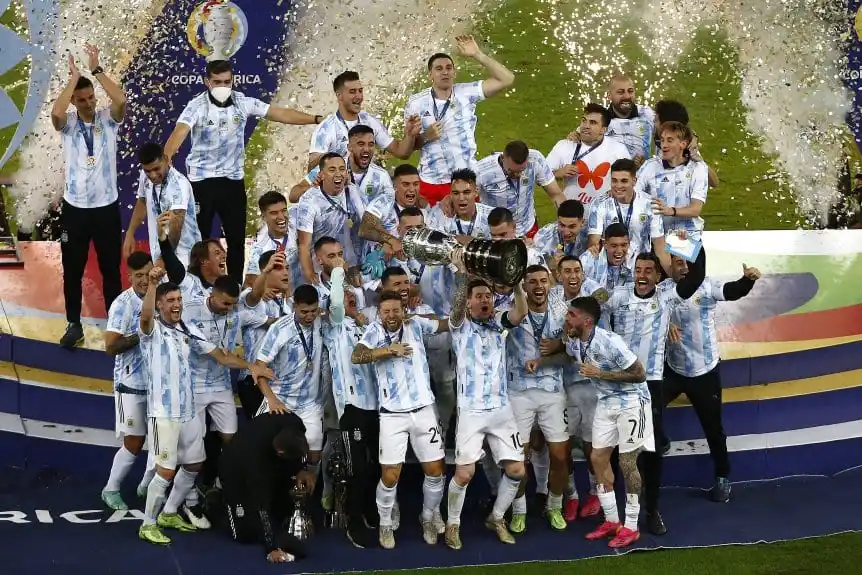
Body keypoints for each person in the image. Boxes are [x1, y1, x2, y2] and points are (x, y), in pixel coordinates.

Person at [137, 267, 273, 545]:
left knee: (195, 463)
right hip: (164, 411)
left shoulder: (188, 329)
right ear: (161, 304)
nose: (176, 305)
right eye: (170, 301)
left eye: (178, 300)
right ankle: (147, 524)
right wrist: (152, 284)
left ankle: (170, 511)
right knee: (166, 469)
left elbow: (221, 356)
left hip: (187, 409)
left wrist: (252, 366)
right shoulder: (151, 332)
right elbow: (146, 316)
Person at [163, 59, 321, 283]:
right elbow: (180, 132)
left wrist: (314, 119)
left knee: (236, 241)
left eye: (227, 81)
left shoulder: (242, 102)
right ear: (207, 82)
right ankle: (198, 288)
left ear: (233, 80)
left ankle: (234, 288)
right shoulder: (196, 106)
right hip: (202, 183)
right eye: (217, 82)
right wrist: (166, 158)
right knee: (201, 242)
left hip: (233, 183)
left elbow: (279, 114)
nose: (222, 87)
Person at [601, 248, 706, 537]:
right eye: (638, 270)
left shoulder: (667, 296)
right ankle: (611, 510)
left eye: (648, 271)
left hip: (651, 384)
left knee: (652, 450)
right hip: (618, 383)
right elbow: (591, 308)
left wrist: (695, 242)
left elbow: (696, 277)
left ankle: (651, 509)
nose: (642, 275)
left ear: (658, 276)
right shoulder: (618, 295)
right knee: (612, 449)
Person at [351, 291, 450, 549]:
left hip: (424, 409)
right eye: (386, 312)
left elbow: (445, 324)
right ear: (380, 313)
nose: (391, 316)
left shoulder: (415, 324)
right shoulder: (373, 332)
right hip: (392, 414)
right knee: (391, 474)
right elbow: (357, 355)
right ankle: (385, 523)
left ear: (402, 309)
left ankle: (428, 516)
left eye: (396, 310)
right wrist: (387, 351)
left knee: (435, 470)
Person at [663, 259, 762, 508]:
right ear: (670, 266)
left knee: (714, 430)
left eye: (688, 263)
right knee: (647, 409)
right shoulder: (662, 290)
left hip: (704, 372)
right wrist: (664, 325)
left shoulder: (707, 286)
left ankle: (722, 476)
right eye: (677, 263)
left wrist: (747, 280)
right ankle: (661, 440)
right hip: (672, 369)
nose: (684, 267)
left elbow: (732, 291)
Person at [444, 258, 526, 550]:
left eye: (488, 296)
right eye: (478, 297)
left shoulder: (499, 323)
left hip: (501, 409)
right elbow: (454, 310)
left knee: (517, 470)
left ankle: (497, 517)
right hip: (471, 411)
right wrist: (464, 278)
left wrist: (516, 285)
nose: (485, 301)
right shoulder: (460, 326)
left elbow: (520, 311)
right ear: (468, 303)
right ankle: (453, 524)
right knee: (464, 473)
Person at [49, 44, 126, 349]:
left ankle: (115, 325)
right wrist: (73, 79)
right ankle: (73, 324)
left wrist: (96, 71)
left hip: (106, 208)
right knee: (73, 269)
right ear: (74, 101)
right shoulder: (68, 125)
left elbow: (120, 98)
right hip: (76, 210)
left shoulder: (109, 119)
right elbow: (56, 112)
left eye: (91, 97)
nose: (88, 103)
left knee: (111, 269)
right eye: (81, 100)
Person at [563, 296, 648, 549]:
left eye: (571, 315)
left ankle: (631, 526)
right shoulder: (577, 341)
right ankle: (612, 520)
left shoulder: (610, 341)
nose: (566, 318)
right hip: (606, 402)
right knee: (598, 458)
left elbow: (639, 373)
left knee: (627, 462)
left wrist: (601, 374)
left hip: (633, 402)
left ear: (586, 321)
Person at [405, 35, 515, 206]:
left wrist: (477, 54)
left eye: (449, 68)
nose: (445, 72)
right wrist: (426, 136)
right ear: (430, 75)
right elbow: (407, 147)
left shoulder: (466, 93)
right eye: (439, 69)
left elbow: (507, 79)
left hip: (465, 179)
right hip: (433, 181)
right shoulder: (416, 103)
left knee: (468, 229)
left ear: (454, 72)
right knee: (434, 231)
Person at [500, 266, 570, 533]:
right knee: (519, 457)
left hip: (553, 392)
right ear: (525, 287)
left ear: (550, 284)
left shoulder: (563, 313)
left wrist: (549, 357)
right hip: (518, 393)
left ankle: (554, 505)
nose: (539, 286)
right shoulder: (511, 313)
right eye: (532, 282)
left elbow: (573, 355)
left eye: (543, 280)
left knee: (560, 456)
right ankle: (519, 511)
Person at [322, 261, 379, 548]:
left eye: (352, 294)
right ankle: (353, 521)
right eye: (345, 295)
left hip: (379, 406)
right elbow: (334, 302)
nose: (350, 297)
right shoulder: (334, 326)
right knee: (356, 467)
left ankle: (370, 510)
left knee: (378, 464)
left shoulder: (368, 326)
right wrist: (337, 272)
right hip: (352, 408)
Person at [219, 411, 315, 563]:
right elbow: (261, 502)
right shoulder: (255, 458)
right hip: (235, 470)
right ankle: (217, 505)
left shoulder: (295, 424)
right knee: (245, 534)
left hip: (269, 463)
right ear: (280, 452)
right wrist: (271, 547)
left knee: (280, 513)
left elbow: (299, 452)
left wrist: (301, 469)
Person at [101, 251, 154, 511]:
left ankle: (146, 485)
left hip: (158, 384)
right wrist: (140, 336)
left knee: (161, 438)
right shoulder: (123, 304)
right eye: (139, 276)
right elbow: (111, 347)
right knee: (134, 442)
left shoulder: (162, 295)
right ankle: (110, 489)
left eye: (148, 273)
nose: (144, 280)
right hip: (129, 383)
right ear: (129, 276)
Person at [254, 285, 326, 474]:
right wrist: (271, 399)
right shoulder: (280, 329)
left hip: (310, 404)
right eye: (304, 312)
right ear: (294, 306)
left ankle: (305, 497)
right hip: (280, 400)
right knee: (265, 450)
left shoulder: (321, 321)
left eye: (313, 311)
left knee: (314, 455)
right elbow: (259, 368)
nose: (310, 316)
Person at [308, 70, 418, 170]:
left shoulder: (369, 121)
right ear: (339, 96)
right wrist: (332, 159)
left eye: (360, 91)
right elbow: (312, 167)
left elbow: (401, 152)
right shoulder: (326, 128)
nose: (359, 96)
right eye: (352, 92)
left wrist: (409, 135)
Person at [124, 142, 201, 267]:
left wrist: (163, 259)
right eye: (148, 171)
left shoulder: (178, 185)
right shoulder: (145, 176)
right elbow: (142, 201)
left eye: (156, 169)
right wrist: (130, 233)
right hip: (160, 256)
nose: (153, 175)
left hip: (185, 259)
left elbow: (176, 227)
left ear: (165, 159)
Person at [588, 158, 670, 273]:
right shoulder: (599, 204)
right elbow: (593, 245)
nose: (618, 186)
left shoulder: (649, 204)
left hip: (640, 271)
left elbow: (660, 248)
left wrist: (673, 278)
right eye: (614, 181)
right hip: (608, 270)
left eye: (624, 181)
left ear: (634, 181)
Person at [637, 121, 710, 243]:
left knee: (682, 260)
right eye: (662, 140)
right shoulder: (650, 166)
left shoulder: (698, 168)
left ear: (683, 144)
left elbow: (695, 209)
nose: (664, 145)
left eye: (669, 140)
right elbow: (634, 195)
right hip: (656, 236)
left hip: (687, 236)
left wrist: (671, 211)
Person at [546, 103, 631, 207]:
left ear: (603, 129)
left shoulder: (618, 150)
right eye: (584, 121)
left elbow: (630, 183)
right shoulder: (564, 145)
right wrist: (559, 172)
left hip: (604, 215)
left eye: (593, 123)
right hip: (572, 217)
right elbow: (541, 176)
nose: (586, 126)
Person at [475, 140, 563, 238]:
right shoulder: (481, 171)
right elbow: (470, 203)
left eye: (522, 170)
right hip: (498, 234)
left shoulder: (536, 160)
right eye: (512, 171)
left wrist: (565, 221)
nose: (518, 175)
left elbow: (556, 194)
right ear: (503, 157)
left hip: (528, 229)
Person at [604, 74, 656, 163]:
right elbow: (582, 137)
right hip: (612, 174)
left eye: (630, 91)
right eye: (620, 92)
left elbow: (671, 131)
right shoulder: (601, 118)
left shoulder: (646, 113)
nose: (627, 96)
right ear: (609, 95)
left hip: (643, 173)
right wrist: (575, 136)